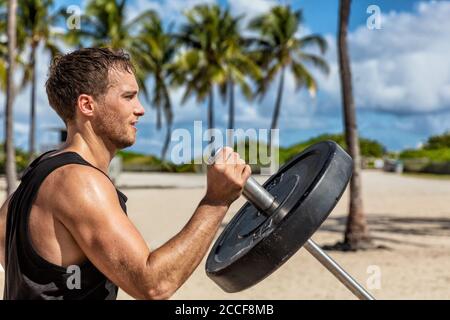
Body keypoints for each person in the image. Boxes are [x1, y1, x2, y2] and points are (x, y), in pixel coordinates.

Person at [0, 48, 251, 300]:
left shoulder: (36, 174)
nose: (140, 109)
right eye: (128, 97)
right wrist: (216, 201)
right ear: (87, 105)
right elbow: (153, 285)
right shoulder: (79, 182)